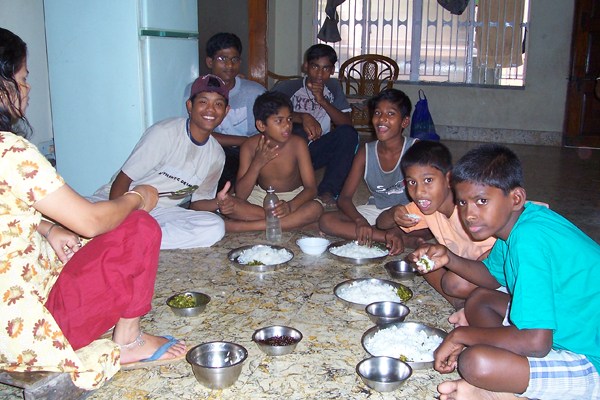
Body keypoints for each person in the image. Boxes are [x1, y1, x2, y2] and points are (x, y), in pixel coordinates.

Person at [0, 28, 186, 390]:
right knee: (138, 228)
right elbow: (90, 221)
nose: (28, 88)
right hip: (27, 332)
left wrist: (49, 228)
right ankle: (129, 341)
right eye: (22, 79)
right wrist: (138, 198)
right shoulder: (10, 151)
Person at [418, 144, 600, 400]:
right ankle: (513, 378)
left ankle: (509, 393)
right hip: (566, 327)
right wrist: (449, 258)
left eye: (482, 201)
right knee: (480, 300)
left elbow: (537, 342)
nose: (469, 214)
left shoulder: (529, 240)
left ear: (515, 198)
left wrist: (462, 335)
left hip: (590, 355)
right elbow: (491, 277)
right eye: (463, 202)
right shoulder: (520, 225)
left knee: (475, 363)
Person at [91, 74, 230, 249]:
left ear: (226, 111)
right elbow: (122, 180)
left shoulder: (216, 155)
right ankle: (123, 235)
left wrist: (218, 202)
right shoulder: (164, 133)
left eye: (218, 104)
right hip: (121, 200)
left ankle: (126, 239)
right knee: (76, 218)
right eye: (203, 102)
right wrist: (117, 215)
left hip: (161, 212)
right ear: (190, 106)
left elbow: (196, 205)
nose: (210, 109)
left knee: (215, 227)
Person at [377, 140, 496, 311]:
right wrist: (394, 213)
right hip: (464, 266)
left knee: (454, 283)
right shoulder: (426, 207)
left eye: (428, 180)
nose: (419, 192)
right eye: (412, 182)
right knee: (421, 258)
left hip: (494, 269)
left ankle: (495, 299)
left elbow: (505, 242)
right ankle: (458, 303)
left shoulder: (469, 205)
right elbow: (381, 223)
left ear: (449, 179)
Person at [319, 89, 431, 255]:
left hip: (408, 212)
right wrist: (360, 221)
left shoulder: (417, 149)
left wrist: (397, 225)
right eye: (377, 113)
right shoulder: (365, 152)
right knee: (327, 221)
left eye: (390, 114)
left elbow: (430, 196)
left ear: (405, 122)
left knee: (432, 223)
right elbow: (344, 198)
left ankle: (386, 234)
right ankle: (394, 238)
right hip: (377, 211)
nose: (382, 119)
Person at [218, 91, 323, 232]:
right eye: (279, 121)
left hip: (293, 197)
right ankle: (292, 223)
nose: (287, 126)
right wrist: (257, 163)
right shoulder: (249, 146)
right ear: (261, 125)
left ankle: (248, 226)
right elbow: (241, 195)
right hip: (261, 197)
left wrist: (290, 206)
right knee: (230, 205)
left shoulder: (298, 144)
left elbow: (311, 188)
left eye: (289, 119)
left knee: (315, 208)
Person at [272, 44, 359, 209]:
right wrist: (302, 117)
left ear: (332, 70)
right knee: (298, 129)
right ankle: (292, 183)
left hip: (316, 150)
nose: (320, 74)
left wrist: (323, 101)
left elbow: (347, 123)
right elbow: (268, 114)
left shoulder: (333, 87)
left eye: (326, 68)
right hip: (288, 152)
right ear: (305, 66)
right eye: (315, 67)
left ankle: (328, 190)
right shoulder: (288, 87)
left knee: (348, 134)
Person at [205, 32, 266, 192]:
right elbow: (197, 133)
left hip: (253, 148)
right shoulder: (198, 92)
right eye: (222, 59)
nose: (229, 65)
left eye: (234, 59)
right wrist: (243, 141)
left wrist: (303, 116)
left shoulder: (255, 91)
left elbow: (274, 119)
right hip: (215, 149)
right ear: (210, 62)